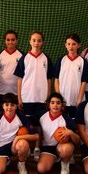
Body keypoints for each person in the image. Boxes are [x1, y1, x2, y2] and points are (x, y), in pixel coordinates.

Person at [14, 30, 53, 161]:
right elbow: (19, 79)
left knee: (40, 124)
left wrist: (48, 97)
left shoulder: (46, 58)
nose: (36, 43)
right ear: (30, 41)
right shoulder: (24, 57)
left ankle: (37, 147)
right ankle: (27, 147)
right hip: (26, 97)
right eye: (34, 40)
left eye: (39, 40)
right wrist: (19, 97)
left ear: (43, 42)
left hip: (41, 98)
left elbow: (49, 79)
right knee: (26, 124)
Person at [0, 93, 39, 174]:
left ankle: (21, 163)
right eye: (7, 105)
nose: (9, 107)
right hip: (1, 146)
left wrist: (18, 138)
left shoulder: (21, 117)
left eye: (12, 105)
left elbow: (36, 136)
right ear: (3, 106)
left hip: (15, 146)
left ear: (16, 106)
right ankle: (6, 159)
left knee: (23, 144)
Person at [37, 92, 80, 174]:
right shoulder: (41, 115)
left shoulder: (66, 119)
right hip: (47, 147)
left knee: (66, 149)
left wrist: (71, 133)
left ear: (62, 106)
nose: (55, 105)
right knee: (41, 169)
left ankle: (65, 162)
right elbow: (29, 123)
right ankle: (56, 158)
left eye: (58, 103)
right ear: (48, 105)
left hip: (62, 146)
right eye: (52, 103)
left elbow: (77, 140)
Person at [54, 33, 88, 119]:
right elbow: (56, 80)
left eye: (74, 44)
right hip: (63, 101)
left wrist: (79, 100)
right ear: (65, 45)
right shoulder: (61, 60)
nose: (71, 47)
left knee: (77, 125)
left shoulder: (83, 61)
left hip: (77, 100)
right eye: (69, 44)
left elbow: (84, 82)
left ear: (79, 45)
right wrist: (59, 99)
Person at [0, 30, 23, 111]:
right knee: (1, 116)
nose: (10, 42)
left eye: (13, 40)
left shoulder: (22, 56)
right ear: (4, 41)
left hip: (17, 93)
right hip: (1, 92)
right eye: (8, 40)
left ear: (16, 41)